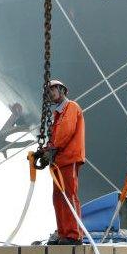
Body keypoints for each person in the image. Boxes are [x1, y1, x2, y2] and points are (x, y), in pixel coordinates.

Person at [43, 79, 85, 245]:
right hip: (59, 161)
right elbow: (54, 136)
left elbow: (66, 132)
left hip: (70, 158)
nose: (51, 93)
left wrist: (52, 148)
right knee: (58, 197)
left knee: (69, 195)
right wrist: (45, 150)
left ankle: (74, 235)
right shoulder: (57, 114)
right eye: (49, 91)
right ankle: (63, 234)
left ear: (62, 90)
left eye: (53, 89)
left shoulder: (71, 107)